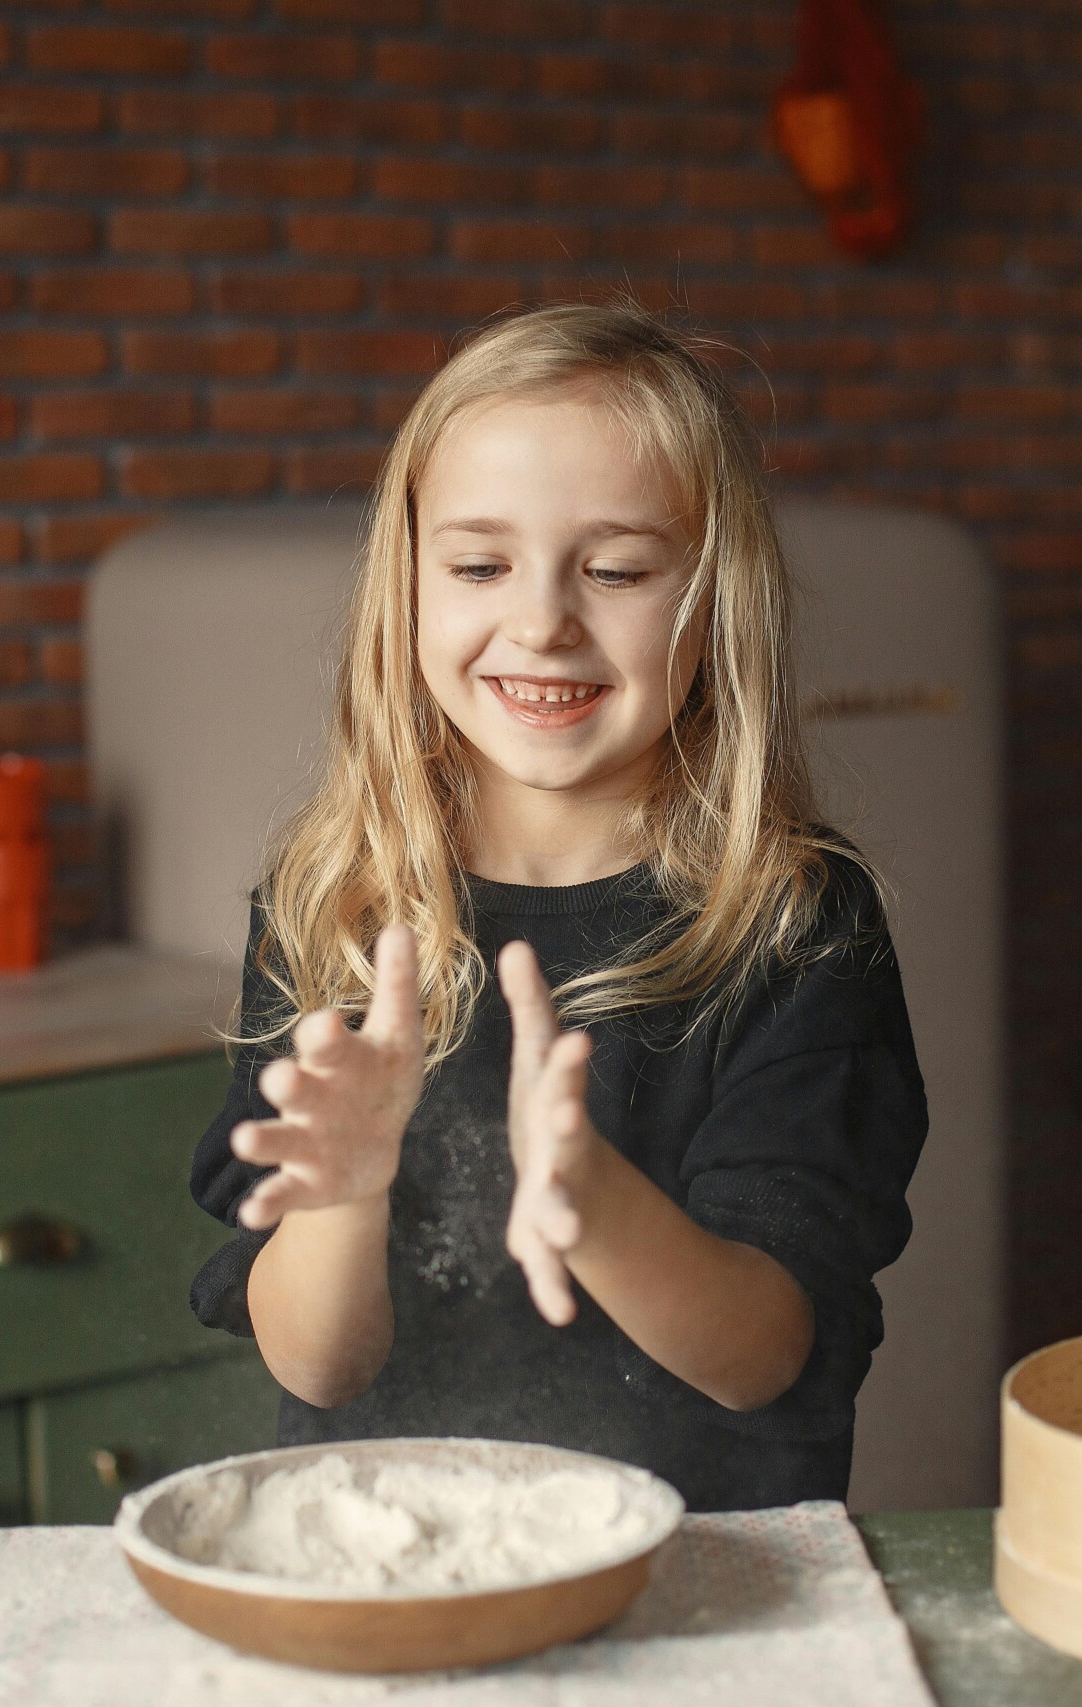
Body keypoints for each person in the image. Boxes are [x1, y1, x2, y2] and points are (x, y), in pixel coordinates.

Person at [187, 299, 927, 1512]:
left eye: (618, 569)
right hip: (401, 1568)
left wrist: (594, 1203)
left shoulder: (792, 923)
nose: (540, 621)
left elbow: (764, 1358)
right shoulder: (334, 905)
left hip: (703, 1589)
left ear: (711, 599)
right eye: (480, 565)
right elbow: (320, 1366)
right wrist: (344, 1192)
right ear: (408, 585)